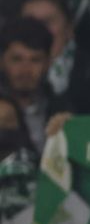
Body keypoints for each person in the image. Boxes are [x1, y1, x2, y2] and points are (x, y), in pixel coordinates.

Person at [0, 18, 58, 151]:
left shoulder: (60, 106)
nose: (25, 70)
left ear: (48, 63)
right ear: (1, 61)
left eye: (35, 60)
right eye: (17, 59)